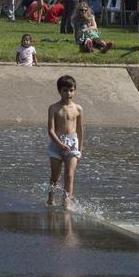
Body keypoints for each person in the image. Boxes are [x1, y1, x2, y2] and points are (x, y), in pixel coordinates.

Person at [46, 74, 84, 208]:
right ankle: (51, 199)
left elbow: (79, 130)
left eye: (71, 90)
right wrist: (60, 144)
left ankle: (66, 202)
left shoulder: (78, 109)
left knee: (69, 175)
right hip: (57, 143)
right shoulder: (54, 108)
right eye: (65, 90)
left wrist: (80, 149)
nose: (68, 93)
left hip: (73, 143)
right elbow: (50, 130)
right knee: (55, 176)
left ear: (74, 90)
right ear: (59, 91)